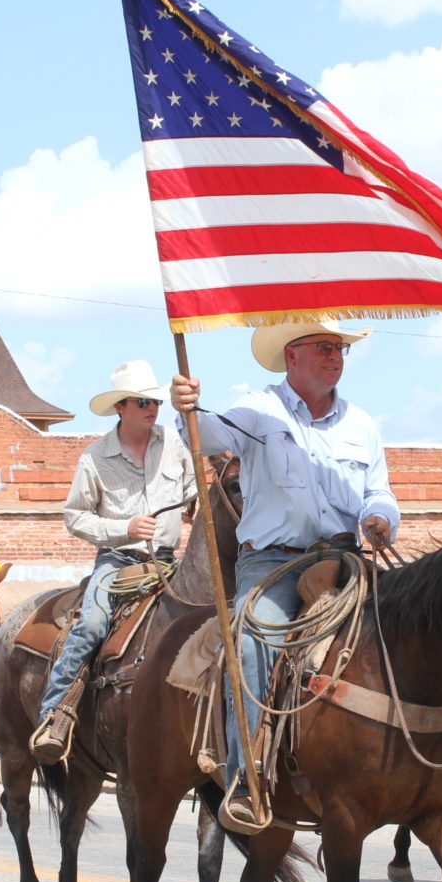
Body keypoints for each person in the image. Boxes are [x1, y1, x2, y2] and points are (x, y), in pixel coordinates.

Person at [169, 318, 399, 828]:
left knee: (421, 620)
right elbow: (203, 435)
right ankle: (245, 776)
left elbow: (379, 491)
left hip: (346, 557)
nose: (335, 356)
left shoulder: (361, 424)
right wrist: (182, 402)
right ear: (292, 356)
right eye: (324, 347)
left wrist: (380, 518)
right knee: (251, 641)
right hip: (273, 561)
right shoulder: (258, 409)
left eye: (339, 348)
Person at [31, 360, 197, 763]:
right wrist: (125, 529)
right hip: (118, 561)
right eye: (141, 401)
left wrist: (192, 504)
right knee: (91, 624)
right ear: (120, 407)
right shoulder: (94, 458)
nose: (151, 407)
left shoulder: (173, 444)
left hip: (168, 562)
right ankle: (55, 713)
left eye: (154, 400)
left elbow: (192, 488)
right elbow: (76, 517)